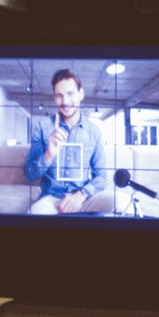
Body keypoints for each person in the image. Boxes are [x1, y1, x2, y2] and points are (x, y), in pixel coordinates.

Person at [23, 68, 114, 214]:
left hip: (84, 198)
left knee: (120, 202)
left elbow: (101, 176)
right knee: (33, 214)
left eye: (70, 94)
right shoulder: (42, 127)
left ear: (81, 94)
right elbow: (29, 175)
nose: (65, 101)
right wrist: (48, 155)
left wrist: (81, 195)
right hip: (51, 199)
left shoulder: (94, 132)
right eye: (59, 95)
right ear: (54, 98)